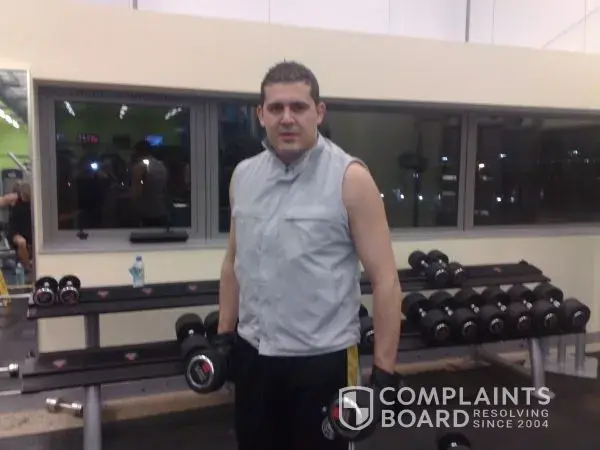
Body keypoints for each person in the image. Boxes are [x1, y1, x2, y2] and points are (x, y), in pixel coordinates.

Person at [215, 61, 404, 450]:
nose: (287, 118)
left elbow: (386, 281)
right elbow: (233, 263)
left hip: (323, 361)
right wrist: (223, 336)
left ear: (319, 112)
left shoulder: (350, 178)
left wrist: (383, 374)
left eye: (298, 107)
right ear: (260, 115)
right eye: (276, 108)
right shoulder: (243, 176)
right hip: (254, 356)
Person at [130, 139, 170, 227]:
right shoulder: (161, 165)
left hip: (146, 212)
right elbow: (165, 189)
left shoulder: (139, 167)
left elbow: (136, 194)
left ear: (138, 152)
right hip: (161, 210)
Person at [0, 180, 33, 272]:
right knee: (22, 242)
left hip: (30, 231)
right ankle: (28, 268)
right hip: (15, 233)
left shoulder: (35, 199)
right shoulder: (14, 198)